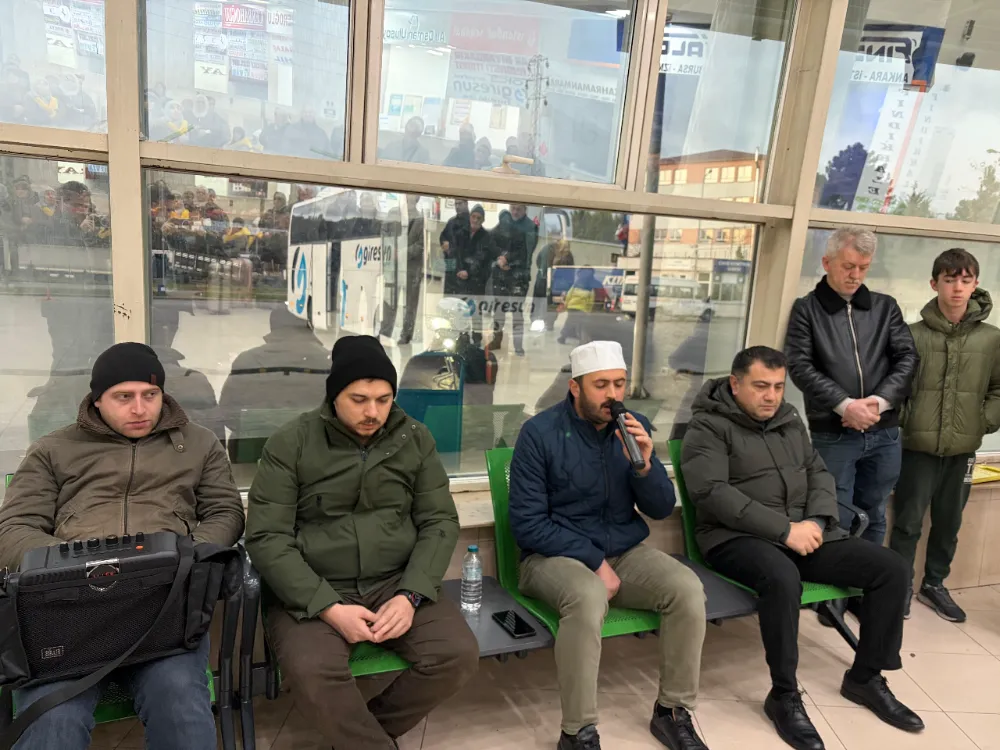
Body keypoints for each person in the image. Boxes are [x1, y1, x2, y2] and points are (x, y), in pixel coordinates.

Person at [0, 343, 244, 750]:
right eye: (123, 397)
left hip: (164, 605)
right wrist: (72, 567)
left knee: (180, 707)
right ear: (97, 399)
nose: (140, 409)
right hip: (69, 611)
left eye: (150, 395)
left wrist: (186, 555)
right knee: (54, 721)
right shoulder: (53, 450)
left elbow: (225, 511)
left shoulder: (199, 445)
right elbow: (14, 527)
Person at [681, 346, 923, 750]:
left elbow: (818, 474)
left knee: (891, 568)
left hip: (800, 532)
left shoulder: (789, 420)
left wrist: (816, 521)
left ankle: (865, 677)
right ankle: (784, 695)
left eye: (778, 387)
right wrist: (783, 530)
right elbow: (712, 493)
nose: (771, 396)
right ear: (735, 384)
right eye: (761, 386)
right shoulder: (707, 426)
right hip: (733, 538)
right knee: (782, 577)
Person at [245, 335, 478, 749]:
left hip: (395, 580)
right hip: (315, 586)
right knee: (314, 671)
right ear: (334, 395)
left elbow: (439, 521)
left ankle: (362, 737)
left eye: (384, 400)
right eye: (359, 399)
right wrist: (328, 607)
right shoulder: (291, 443)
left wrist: (411, 594)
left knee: (455, 654)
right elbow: (266, 538)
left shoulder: (415, 439)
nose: (373, 412)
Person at [509, 340, 709, 750]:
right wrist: (594, 560)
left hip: (623, 551)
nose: (613, 395)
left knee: (686, 589)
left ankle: (672, 711)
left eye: (619, 384)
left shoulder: (633, 426)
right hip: (551, 556)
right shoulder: (539, 433)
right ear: (575, 387)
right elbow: (528, 525)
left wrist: (646, 465)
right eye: (601, 385)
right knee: (587, 595)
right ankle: (578, 732)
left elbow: (660, 507)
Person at [785, 227, 918, 545]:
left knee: (875, 514)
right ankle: (839, 580)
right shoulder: (807, 310)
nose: (856, 275)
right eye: (848, 266)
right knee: (835, 516)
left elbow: (908, 358)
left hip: (884, 430)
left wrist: (878, 403)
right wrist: (846, 406)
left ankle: (870, 579)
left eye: (863, 267)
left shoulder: (885, 307)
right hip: (833, 432)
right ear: (826, 262)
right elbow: (800, 367)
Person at [890, 249, 1000, 622]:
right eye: (949, 279)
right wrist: (907, 420)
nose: (957, 288)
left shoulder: (991, 339)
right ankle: (900, 587)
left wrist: (982, 422)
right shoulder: (911, 335)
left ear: (975, 284)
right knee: (907, 522)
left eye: (965, 280)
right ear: (934, 283)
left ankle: (934, 584)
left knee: (949, 522)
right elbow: (895, 388)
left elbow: (998, 389)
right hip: (916, 448)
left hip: (963, 450)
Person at [491, 203, 539, 355]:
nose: (515, 212)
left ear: (525, 210)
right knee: (498, 309)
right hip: (501, 273)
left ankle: (518, 345)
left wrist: (508, 261)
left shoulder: (530, 227)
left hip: (519, 275)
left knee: (517, 311)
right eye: (513, 208)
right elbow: (492, 242)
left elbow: (526, 253)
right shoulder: (505, 222)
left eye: (519, 209)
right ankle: (496, 340)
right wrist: (499, 259)